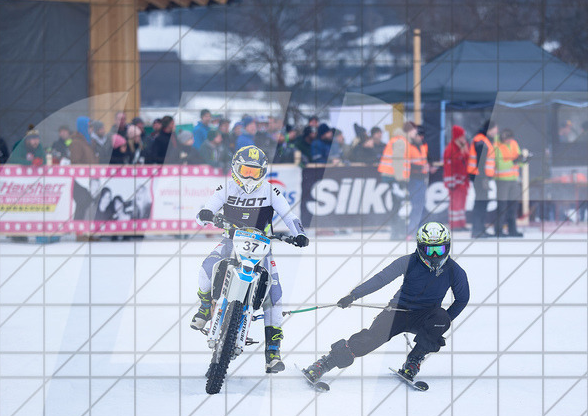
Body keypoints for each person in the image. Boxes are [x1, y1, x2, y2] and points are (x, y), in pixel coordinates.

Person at [302, 221, 469, 385]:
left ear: (447, 247)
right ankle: (325, 363)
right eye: (429, 250)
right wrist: (354, 295)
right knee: (368, 341)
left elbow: (462, 299)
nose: (435, 256)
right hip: (398, 311)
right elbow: (381, 279)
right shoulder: (408, 262)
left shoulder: (455, 271)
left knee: (441, 318)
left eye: (439, 250)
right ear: (420, 247)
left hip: (426, 317)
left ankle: (414, 361)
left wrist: (443, 323)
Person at [191, 146, 310, 373]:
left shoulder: (270, 191)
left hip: (261, 247)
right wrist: (205, 215)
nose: (249, 177)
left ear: (263, 172)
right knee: (206, 269)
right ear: (235, 169)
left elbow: (290, 216)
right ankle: (205, 307)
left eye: (255, 172)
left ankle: (273, 351)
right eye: (245, 171)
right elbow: (203, 213)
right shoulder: (226, 188)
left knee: (275, 295)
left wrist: (300, 234)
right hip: (230, 241)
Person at [377, 126, 411, 239]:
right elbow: (398, 161)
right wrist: (400, 179)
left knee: (396, 205)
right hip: (395, 178)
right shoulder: (400, 142)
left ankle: (396, 232)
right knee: (398, 205)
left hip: (391, 177)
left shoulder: (394, 140)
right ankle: (396, 232)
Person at [467, 121, 496, 238]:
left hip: (481, 177)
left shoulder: (484, 140)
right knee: (480, 203)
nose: (496, 132)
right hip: (479, 177)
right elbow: (480, 162)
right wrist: (484, 179)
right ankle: (477, 230)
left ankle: (481, 229)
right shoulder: (481, 141)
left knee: (483, 203)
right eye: (495, 129)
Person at [493, 128, 524, 237]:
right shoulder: (496, 146)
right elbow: (500, 165)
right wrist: (514, 161)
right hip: (502, 180)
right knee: (502, 206)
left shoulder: (514, 144)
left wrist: (523, 161)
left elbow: (518, 159)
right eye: (507, 139)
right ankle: (498, 230)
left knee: (513, 206)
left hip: (514, 179)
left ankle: (512, 230)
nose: (509, 141)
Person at [443, 125, 470, 230]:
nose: (464, 138)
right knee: (455, 204)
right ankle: (454, 225)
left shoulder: (464, 147)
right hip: (455, 182)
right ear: (457, 137)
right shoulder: (450, 149)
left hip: (463, 181)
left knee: (462, 203)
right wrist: (450, 182)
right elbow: (448, 167)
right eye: (462, 136)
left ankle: (461, 224)